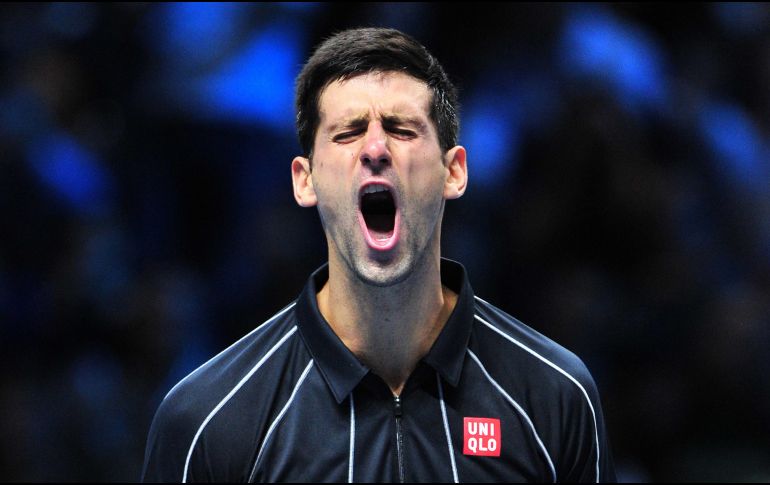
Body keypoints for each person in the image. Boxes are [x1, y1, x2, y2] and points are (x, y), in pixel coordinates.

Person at [141, 27, 616, 483]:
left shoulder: (554, 394)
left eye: (402, 129)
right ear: (305, 181)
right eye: (347, 132)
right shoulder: (207, 418)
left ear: (454, 172)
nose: (374, 148)